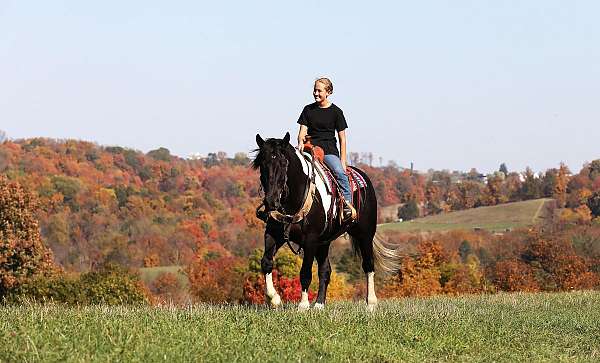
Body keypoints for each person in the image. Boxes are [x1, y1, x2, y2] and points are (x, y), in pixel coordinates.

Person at [297, 77, 356, 221]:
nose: (316, 93)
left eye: (319, 90)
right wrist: (300, 143)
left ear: (328, 92)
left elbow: (342, 139)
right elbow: (302, 132)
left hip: (328, 151)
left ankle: (348, 205)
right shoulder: (308, 110)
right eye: (314, 90)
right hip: (310, 148)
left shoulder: (336, 112)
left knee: (339, 173)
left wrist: (342, 160)